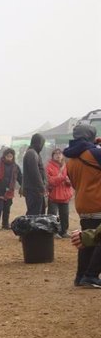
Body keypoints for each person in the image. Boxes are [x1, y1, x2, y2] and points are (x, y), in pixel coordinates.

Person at [64, 123, 101, 288]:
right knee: (97, 238)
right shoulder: (94, 153)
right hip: (98, 202)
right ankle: (91, 275)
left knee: (86, 240)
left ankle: (80, 276)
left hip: (82, 204)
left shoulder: (70, 159)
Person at [47, 148, 74, 238]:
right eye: (55, 154)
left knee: (64, 214)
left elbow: (71, 179)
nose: (58, 155)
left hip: (65, 194)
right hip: (53, 194)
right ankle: (53, 232)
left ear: (62, 155)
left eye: (59, 153)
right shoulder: (49, 166)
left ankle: (64, 231)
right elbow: (50, 181)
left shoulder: (66, 166)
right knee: (53, 214)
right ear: (52, 156)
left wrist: (69, 181)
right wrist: (62, 177)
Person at [22, 133, 48, 216]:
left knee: (39, 213)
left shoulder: (35, 153)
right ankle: (32, 229)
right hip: (33, 189)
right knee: (34, 214)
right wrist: (41, 187)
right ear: (38, 143)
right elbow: (35, 173)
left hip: (35, 189)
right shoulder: (31, 153)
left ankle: (35, 229)